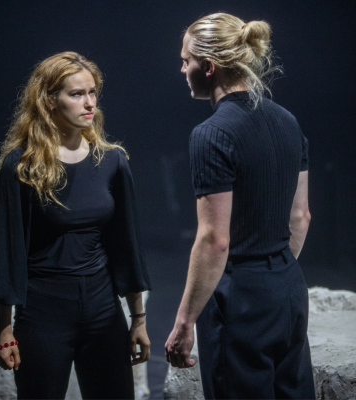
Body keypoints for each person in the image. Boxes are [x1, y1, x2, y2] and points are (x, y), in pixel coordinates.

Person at [0, 51, 152, 399]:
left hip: (103, 310)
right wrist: (4, 329)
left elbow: (126, 246)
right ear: (49, 100)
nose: (89, 103)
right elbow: (7, 251)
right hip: (43, 313)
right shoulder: (22, 166)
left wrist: (138, 319)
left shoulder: (112, 161)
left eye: (92, 92)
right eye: (76, 94)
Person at [164, 13, 315, 399]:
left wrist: (184, 322)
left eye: (186, 60)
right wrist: (275, 276)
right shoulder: (288, 121)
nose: (181, 69)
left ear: (208, 67)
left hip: (240, 298)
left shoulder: (212, 134)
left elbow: (214, 240)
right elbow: (301, 217)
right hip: (289, 286)